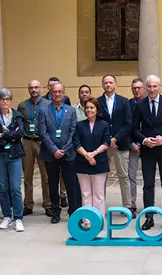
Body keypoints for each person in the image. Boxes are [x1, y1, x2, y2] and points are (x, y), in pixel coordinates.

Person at [132, 75, 162, 230]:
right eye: (149, 87)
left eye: (155, 86)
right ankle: (149, 217)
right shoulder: (140, 105)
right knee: (148, 185)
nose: (152, 89)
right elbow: (133, 128)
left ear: (159, 87)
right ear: (146, 88)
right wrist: (144, 140)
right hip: (148, 151)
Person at [38, 82, 80, 223]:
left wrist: (65, 149)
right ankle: (55, 211)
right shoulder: (43, 110)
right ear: (50, 92)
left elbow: (73, 131)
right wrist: (54, 150)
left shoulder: (71, 110)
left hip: (68, 154)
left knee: (71, 184)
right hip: (50, 154)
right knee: (52, 183)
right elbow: (42, 133)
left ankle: (73, 211)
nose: (57, 94)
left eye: (60, 91)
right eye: (54, 91)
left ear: (64, 92)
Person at [0, 88, 25, 232]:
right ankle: (7, 215)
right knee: (3, 187)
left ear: (10, 100)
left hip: (14, 155)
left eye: (7, 99)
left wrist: (2, 135)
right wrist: (10, 136)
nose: (4, 102)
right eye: (2, 99)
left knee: (15, 187)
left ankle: (18, 217)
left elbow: (21, 132)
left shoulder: (17, 115)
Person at [17, 80, 56, 216]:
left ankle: (48, 204)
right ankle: (28, 204)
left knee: (45, 175)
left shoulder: (48, 104)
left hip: (43, 142)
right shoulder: (22, 105)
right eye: (31, 87)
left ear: (41, 88)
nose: (34, 90)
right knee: (27, 175)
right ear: (28, 89)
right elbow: (19, 123)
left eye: (36, 87)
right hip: (27, 142)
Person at [73, 98, 111, 229]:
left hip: (99, 163)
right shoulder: (79, 125)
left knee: (99, 195)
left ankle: (99, 221)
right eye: (87, 108)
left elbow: (106, 142)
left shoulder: (104, 125)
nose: (89, 110)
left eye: (92, 108)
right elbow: (76, 143)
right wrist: (87, 156)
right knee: (85, 194)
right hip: (82, 163)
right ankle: (87, 221)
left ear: (97, 110)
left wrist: (93, 154)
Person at [98, 74, 133, 212]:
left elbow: (128, 123)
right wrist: (107, 139)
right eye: (105, 82)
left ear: (115, 85)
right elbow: (97, 123)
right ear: (102, 85)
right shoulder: (97, 101)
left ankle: (128, 205)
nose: (108, 85)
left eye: (110, 82)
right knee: (101, 176)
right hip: (103, 145)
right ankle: (99, 206)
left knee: (123, 176)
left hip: (120, 144)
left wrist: (115, 138)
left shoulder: (124, 102)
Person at [128, 77, 146, 215]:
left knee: (148, 176)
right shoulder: (126, 105)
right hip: (132, 146)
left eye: (139, 87)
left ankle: (148, 205)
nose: (137, 90)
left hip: (148, 146)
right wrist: (131, 143)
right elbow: (126, 126)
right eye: (134, 88)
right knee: (131, 176)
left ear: (143, 89)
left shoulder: (149, 103)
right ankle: (132, 204)